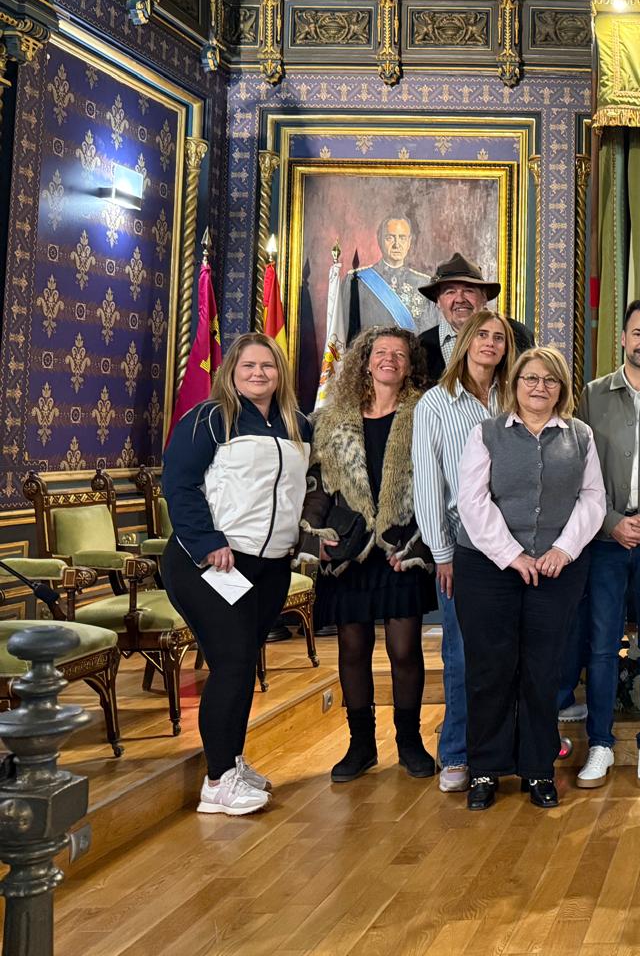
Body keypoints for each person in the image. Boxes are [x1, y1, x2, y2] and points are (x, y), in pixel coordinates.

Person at [162, 333, 311, 816]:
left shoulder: (297, 424)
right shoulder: (210, 418)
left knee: (244, 662)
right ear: (232, 370)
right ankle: (217, 782)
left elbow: (302, 490)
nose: (258, 374)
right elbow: (179, 483)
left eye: (268, 366)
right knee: (231, 660)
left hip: (271, 567)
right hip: (212, 562)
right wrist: (208, 542)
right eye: (249, 365)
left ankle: (231, 761)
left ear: (280, 373)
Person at [455, 346, 604, 810]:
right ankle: (485, 770)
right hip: (487, 567)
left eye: (550, 380)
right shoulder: (486, 433)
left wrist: (564, 549)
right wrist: (512, 555)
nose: (540, 387)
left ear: (561, 389)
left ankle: (538, 769)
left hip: (556, 569)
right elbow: (472, 500)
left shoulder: (580, 435)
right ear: (514, 384)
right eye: (531, 379)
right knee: (490, 670)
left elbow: (593, 498)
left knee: (544, 671)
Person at [301, 326, 438, 783]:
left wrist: (421, 544)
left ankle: (410, 742)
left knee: (405, 649)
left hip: (403, 546)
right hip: (349, 549)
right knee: (353, 648)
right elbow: (318, 487)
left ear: (410, 365)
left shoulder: (425, 412)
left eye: (400, 354)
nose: (389, 360)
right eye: (381, 352)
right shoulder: (331, 419)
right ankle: (360, 745)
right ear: (365, 360)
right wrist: (313, 536)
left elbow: (438, 484)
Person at [574, 299, 640, 790]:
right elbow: (577, 468)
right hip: (604, 538)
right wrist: (614, 521)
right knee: (601, 644)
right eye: (638, 333)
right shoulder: (591, 396)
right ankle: (600, 744)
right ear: (622, 337)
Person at [412, 308, 514, 794]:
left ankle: (505, 748)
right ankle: (455, 749)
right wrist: (441, 553)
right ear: (465, 342)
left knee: (510, 652)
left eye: (499, 337)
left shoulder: (513, 397)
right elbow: (428, 482)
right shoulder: (436, 403)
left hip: (515, 545)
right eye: (482, 335)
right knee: (462, 652)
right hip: (463, 548)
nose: (490, 343)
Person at [416, 253, 535, 385]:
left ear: (484, 297)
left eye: (469, 290)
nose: (460, 299)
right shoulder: (422, 345)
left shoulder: (517, 334)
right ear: (438, 301)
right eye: (450, 292)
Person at [346, 215, 439, 337]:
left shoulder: (424, 283)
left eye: (402, 238)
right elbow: (348, 333)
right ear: (379, 240)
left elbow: (430, 335)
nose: (396, 244)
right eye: (390, 238)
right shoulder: (357, 281)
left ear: (409, 242)